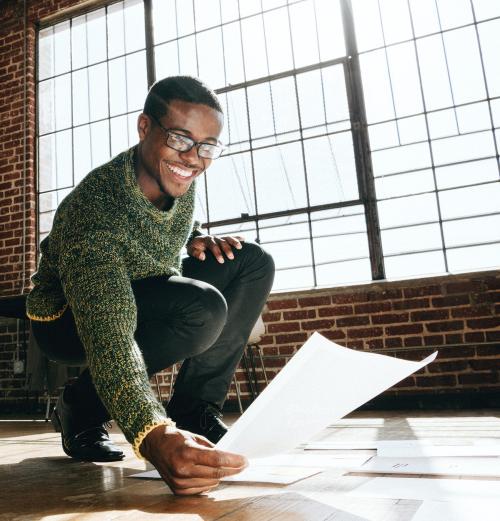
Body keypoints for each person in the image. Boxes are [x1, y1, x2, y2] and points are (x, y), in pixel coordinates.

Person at [26, 76, 275, 495]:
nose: (194, 159)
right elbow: (111, 333)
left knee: (251, 262)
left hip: (143, 286)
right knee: (201, 308)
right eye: (181, 139)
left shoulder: (178, 175)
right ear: (145, 128)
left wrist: (196, 234)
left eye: (208, 146)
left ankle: (194, 408)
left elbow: (158, 227)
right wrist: (152, 433)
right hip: (66, 317)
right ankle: (80, 406)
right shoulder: (93, 212)